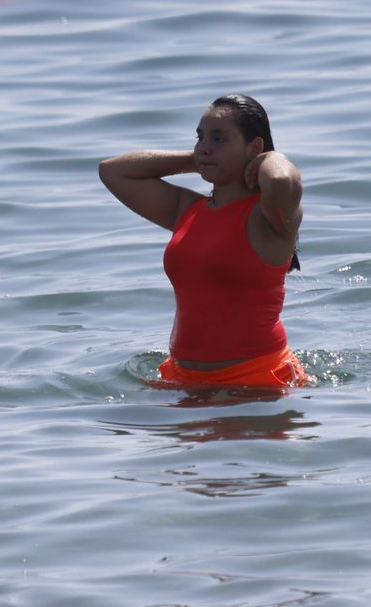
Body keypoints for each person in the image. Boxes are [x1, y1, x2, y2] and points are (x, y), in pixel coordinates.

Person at [100, 94, 310, 389]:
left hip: (257, 381)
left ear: (255, 146)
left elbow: (282, 182)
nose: (205, 147)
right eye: (201, 138)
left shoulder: (270, 219)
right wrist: (196, 160)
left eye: (219, 139)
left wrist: (269, 157)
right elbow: (113, 171)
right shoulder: (187, 209)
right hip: (182, 378)